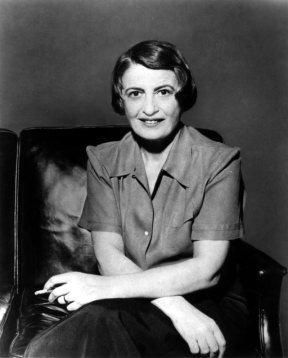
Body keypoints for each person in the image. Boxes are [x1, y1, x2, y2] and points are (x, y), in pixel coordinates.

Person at [24, 40, 250, 358]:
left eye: (163, 92)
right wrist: (173, 306)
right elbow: (109, 255)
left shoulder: (219, 161)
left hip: (207, 304)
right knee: (102, 323)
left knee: (93, 326)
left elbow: (206, 270)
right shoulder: (103, 159)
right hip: (135, 301)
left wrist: (103, 288)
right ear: (121, 101)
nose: (148, 109)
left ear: (182, 97)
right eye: (135, 94)